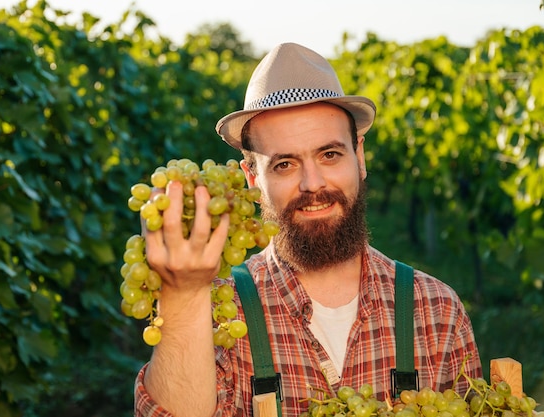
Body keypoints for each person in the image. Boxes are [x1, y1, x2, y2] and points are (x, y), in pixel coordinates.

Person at [134, 42, 482, 417]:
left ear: (359, 155)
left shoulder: (437, 311)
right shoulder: (219, 316)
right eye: (284, 164)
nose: (313, 184)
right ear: (251, 178)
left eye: (329, 155)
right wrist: (183, 297)